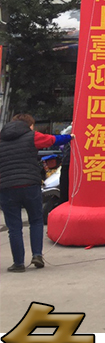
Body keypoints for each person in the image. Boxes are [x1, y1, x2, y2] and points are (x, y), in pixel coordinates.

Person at [0, 113, 72, 272]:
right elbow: (52, 140)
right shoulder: (32, 136)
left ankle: (18, 264)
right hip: (30, 185)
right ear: (29, 125)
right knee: (36, 221)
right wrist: (70, 137)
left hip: (6, 188)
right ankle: (37, 255)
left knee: (14, 228)